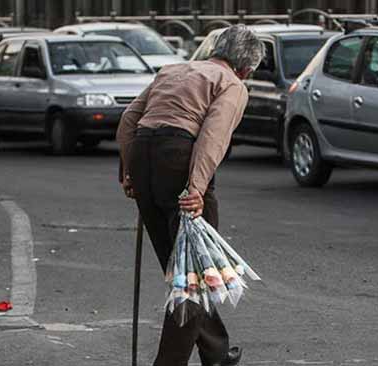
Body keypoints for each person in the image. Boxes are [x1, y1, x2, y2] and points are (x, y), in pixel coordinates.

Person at [116, 25, 265, 366]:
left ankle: (216, 352)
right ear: (246, 68)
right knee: (193, 279)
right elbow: (213, 136)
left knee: (183, 269)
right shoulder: (231, 83)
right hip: (179, 159)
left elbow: (128, 120)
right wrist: (196, 189)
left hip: (144, 154)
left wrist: (128, 170)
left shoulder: (173, 70)